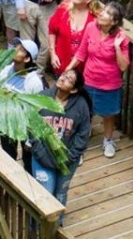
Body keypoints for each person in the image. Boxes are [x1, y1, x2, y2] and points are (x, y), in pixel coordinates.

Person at [69, 0, 130, 158]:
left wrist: (117, 47)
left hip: (109, 84)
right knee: (84, 112)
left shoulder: (121, 37)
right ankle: (80, 143)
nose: (101, 13)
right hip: (89, 79)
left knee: (108, 114)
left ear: (114, 21)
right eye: (103, 10)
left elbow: (123, 66)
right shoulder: (91, 28)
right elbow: (82, 52)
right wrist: (68, 69)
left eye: (107, 13)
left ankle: (108, 141)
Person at [28, 68, 92, 209]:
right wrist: (40, 152)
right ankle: (37, 228)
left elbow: (83, 134)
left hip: (68, 160)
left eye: (69, 79)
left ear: (74, 89)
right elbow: (32, 126)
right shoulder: (42, 97)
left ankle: (58, 224)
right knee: (44, 194)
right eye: (63, 75)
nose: (62, 78)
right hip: (42, 157)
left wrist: (70, 157)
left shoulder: (81, 106)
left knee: (60, 194)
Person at [45, 0, 96, 74]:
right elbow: (52, 31)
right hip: (60, 64)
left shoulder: (94, 18)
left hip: (83, 70)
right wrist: (53, 54)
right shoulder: (63, 10)